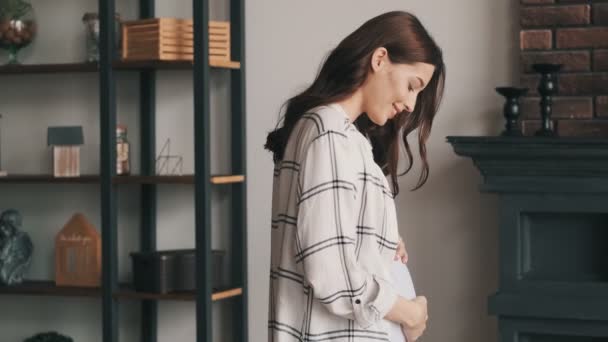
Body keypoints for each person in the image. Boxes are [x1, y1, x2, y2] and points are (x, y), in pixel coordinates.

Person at [265, 10, 445, 342]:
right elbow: (331, 273)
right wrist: (409, 313)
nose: (410, 103)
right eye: (411, 86)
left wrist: (383, 237)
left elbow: (337, 244)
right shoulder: (328, 133)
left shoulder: (346, 137)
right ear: (380, 59)